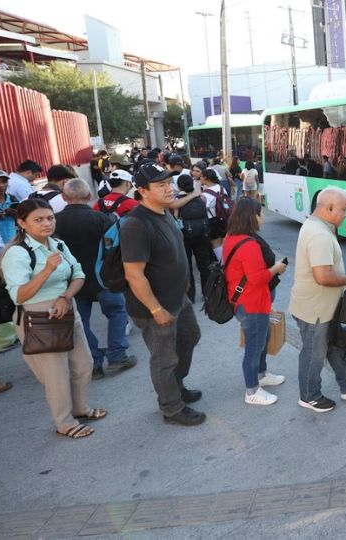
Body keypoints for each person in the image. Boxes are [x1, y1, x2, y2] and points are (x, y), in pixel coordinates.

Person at [0, 199, 106, 439]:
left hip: (66, 308)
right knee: (56, 375)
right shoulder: (17, 253)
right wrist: (46, 270)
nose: (46, 224)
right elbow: (19, 294)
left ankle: (80, 408)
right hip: (38, 317)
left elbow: (78, 275)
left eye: (50, 218)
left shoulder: (57, 244)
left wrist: (65, 297)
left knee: (84, 363)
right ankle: (65, 422)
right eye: (38, 220)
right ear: (21, 223)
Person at [121, 163, 206, 427]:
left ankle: (176, 386)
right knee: (163, 357)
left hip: (178, 297)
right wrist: (156, 310)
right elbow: (134, 274)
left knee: (190, 336)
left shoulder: (165, 212)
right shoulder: (136, 224)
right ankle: (171, 407)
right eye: (160, 186)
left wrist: (187, 283)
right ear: (143, 191)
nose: (169, 189)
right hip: (154, 306)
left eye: (168, 183)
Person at [290, 187, 346, 412]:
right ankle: (309, 396)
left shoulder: (316, 225)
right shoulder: (319, 235)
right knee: (313, 354)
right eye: (343, 209)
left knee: (335, 346)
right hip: (314, 310)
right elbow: (322, 276)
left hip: (323, 307)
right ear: (329, 208)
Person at [54, 179, 137, 380]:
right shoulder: (102, 219)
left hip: (71, 281)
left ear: (64, 197)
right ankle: (117, 355)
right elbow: (116, 249)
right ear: (89, 196)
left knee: (80, 322)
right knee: (117, 313)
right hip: (104, 278)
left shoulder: (53, 221)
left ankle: (93, 362)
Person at [224, 198, 288, 405]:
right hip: (251, 303)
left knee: (263, 337)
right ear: (252, 217)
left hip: (245, 300)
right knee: (254, 346)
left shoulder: (232, 237)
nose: (263, 217)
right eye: (261, 213)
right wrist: (276, 269)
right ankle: (252, 391)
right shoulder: (249, 244)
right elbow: (258, 278)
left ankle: (261, 374)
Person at [174, 174, 215, 302]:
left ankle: (190, 296)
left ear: (179, 186)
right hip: (202, 234)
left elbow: (176, 217)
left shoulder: (178, 199)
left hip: (185, 235)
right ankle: (207, 293)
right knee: (204, 265)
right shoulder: (201, 196)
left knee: (188, 267)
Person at [0, 170, 21, 354]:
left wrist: (15, 212)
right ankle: (8, 331)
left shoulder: (11, 197)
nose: (1, 185)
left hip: (14, 244)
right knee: (1, 290)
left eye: (4, 181)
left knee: (17, 284)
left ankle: (19, 323)